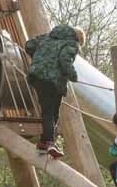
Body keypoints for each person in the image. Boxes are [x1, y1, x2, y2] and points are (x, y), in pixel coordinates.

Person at [22, 25, 85, 158]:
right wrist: (73, 76)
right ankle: (50, 142)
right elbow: (64, 59)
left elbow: (29, 45)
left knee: (50, 111)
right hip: (54, 81)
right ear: (79, 40)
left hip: (38, 77)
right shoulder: (73, 44)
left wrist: (40, 58)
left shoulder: (48, 36)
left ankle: (44, 142)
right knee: (51, 112)